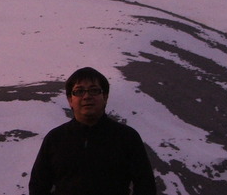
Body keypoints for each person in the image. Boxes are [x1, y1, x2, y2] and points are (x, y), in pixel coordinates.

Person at [28, 67, 156, 195]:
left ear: (105, 97)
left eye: (94, 90)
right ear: (70, 100)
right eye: (79, 91)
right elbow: (38, 186)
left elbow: (145, 185)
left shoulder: (126, 137)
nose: (87, 96)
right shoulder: (55, 138)